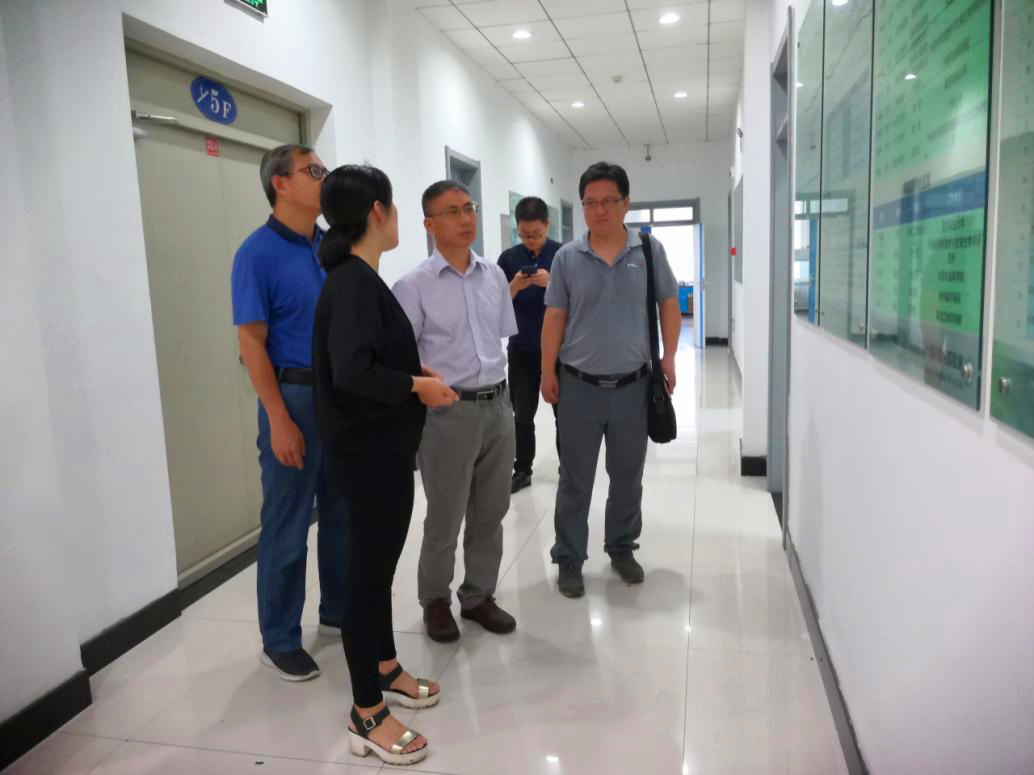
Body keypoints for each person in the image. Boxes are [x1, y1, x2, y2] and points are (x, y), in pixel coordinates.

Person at [312, 165, 457, 767]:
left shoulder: (361, 280)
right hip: (367, 457)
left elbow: (368, 359)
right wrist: (416, 387)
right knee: (367, 581)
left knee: (378, 572)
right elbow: (352, 372)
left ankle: (386, 666)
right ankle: (366, 712)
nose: (396, 219)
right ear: (378, 211)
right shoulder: (351, 284)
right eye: (394, 208)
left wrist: (413, 377)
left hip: (383, 452)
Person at [230, 144, 349, 680]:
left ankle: (337, 612)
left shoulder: (330, 247)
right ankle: (279, 638)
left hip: (339, 398)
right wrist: (278, 418)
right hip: (294, 399)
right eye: (314, 170)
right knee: (288, 521)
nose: (324, 178)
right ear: (280, 183)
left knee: (342, 513)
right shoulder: (255, 254)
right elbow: (251, 344)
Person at [541, 162, 681, 598]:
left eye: (608, 201)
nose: (598, 210)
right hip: (578, 387)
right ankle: (569, 557)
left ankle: (621, 547)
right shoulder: (567, 257)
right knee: (574, 478)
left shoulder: (648, 251)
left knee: (627, 476)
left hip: (633, 388)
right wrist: (546, 370)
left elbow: (669, 303)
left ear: (626, 203)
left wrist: (669, 357)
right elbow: (555, 317)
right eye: (590, 202)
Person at [392, 180, 519, 643]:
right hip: (448, 413)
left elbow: (498, 338)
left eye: (469, 208)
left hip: (498, 406)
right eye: (452, 212)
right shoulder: (412, 286)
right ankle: (435, 601)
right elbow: (400, 358)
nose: (465, 219)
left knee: (492, 510)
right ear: (429, 224)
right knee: (445, 515)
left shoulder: (494, 276)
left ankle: (478, 595)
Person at [496, 196, 561, 494]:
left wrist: (552, 283)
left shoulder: (563, 255)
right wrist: (514, 286)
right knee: (522, 414)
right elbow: (496, 305)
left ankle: (568, 468)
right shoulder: (508, 259)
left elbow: (579, 299)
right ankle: (522, 469)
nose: (530, 240)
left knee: (565, 414)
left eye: (536, 234)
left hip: (560, 350)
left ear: (548, 225)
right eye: (524, 235)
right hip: (522, 348)